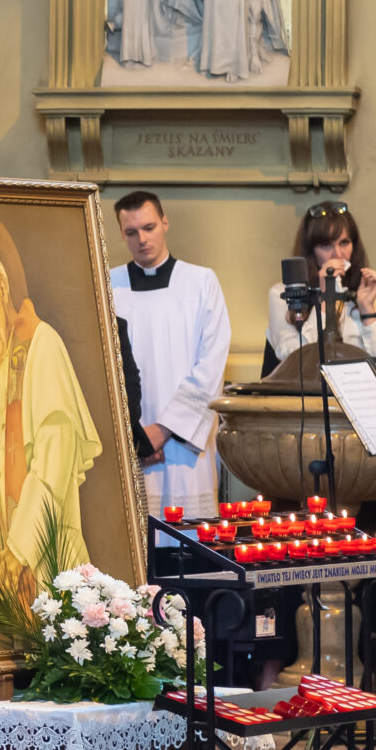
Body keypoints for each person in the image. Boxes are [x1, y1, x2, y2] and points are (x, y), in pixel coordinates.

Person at [0, 237, 98, 609]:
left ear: (2, 287)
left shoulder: (43, 346)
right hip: (13, 573)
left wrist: (18, 550)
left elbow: (54, 465)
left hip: (52, 554)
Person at [107, 190, 231, 519]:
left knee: (187, 538)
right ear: (121, 233)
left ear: (165, 223)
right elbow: (102, 370)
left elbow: (211, 365)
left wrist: (161, 431)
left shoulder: (201, 282)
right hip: (130, 447)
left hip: (184, 446)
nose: (142, 239)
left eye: (149, 227)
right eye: (131, 232)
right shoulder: (108, 286)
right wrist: (136, 439)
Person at [265, 199, 376, 368]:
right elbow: (294, 358)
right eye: (326, 245)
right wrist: (324, 299)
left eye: (344, 243)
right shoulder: (283, 294)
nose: (337, 254)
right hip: (308, 384)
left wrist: (367, 310)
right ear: (311, 251)